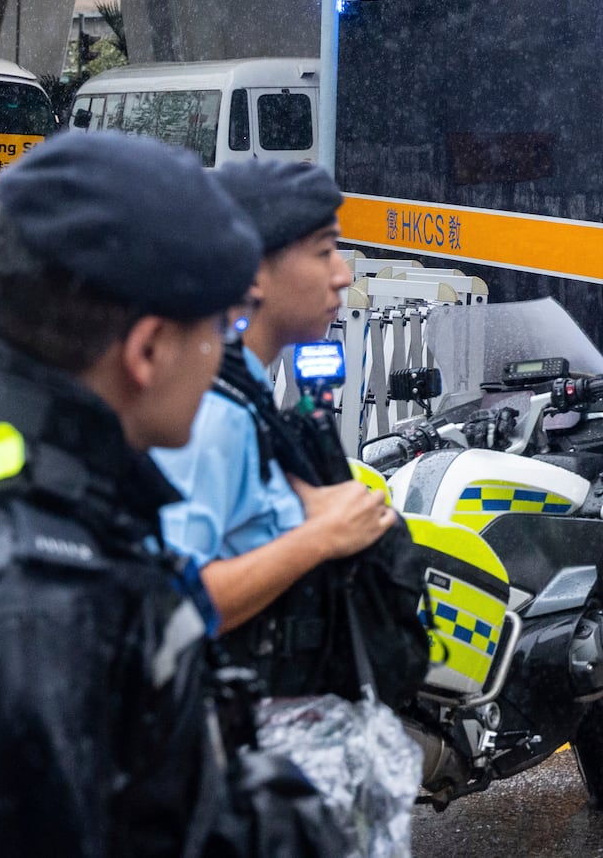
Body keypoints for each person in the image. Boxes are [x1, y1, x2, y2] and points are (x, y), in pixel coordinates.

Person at [0, 130, 264, 854]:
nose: (223, 354)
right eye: (218, 329)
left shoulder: (18, 480)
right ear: (147, 350)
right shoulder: (38, 611)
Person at [152, 159, 418, 704]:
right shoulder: (212, 414)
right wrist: (319, 537)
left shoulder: (243, 394)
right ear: (251, 273)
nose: (343, 274)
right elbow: (173, 604)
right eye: (323, 252)